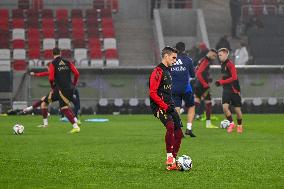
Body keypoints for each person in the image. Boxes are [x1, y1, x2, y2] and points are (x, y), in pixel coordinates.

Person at [149, 46, 183, 170]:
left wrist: (170, 105)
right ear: (166, 56)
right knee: (170, 126)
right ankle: (169, 159)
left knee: (179, 133)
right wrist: (164, 106)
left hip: (169, 104)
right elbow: (152, 93)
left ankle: (173, 160)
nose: (175, 60)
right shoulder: (157, 71)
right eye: (173, 58)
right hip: (159, 105)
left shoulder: (168, 71)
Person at [48, 47, 81, 133]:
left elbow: (51, 78)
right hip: (71, 88)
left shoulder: (53, 63)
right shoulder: (67, 62)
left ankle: (75, 126)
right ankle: (76, 120)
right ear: (60, 53)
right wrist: (74, 83)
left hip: (62, 89)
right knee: (66, 106)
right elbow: (77, 73)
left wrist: (52, 87)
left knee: (64, 108)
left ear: (52, 54)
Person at [171, 42, 196, 137]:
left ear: (175, 49)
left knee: (176, 108)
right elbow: (193, 75)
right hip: (185, 88)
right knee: (191, 106)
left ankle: (178, 130)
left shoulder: (170, 60)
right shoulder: (188, 60)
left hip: (173, 88)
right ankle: (189, 128)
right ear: (184, 49)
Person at [215, 48, 243, 133]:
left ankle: (239, 126)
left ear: (226, 55)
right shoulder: (222, 64)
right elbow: (226, 76)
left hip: (234, 90)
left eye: (221, 55)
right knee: (224, 108)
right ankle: (231, 123)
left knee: (237, 111)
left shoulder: (230, 64)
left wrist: (221, 82)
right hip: (226, 89)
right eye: (218, 55)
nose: (219, 57)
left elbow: (234, 78)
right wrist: (220, 82)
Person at [194, 49, 219, 129]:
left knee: (196, 103)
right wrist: (205, 83)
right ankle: (208, 124)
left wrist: (207, 78)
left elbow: (197, 70)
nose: (214, 58)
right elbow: (198, 73)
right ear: (210, 53)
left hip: (198, 84)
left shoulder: (201, 60)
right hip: (202, 85)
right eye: (214, 56)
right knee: (208, 104)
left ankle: (179, 112)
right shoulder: (206, 61)